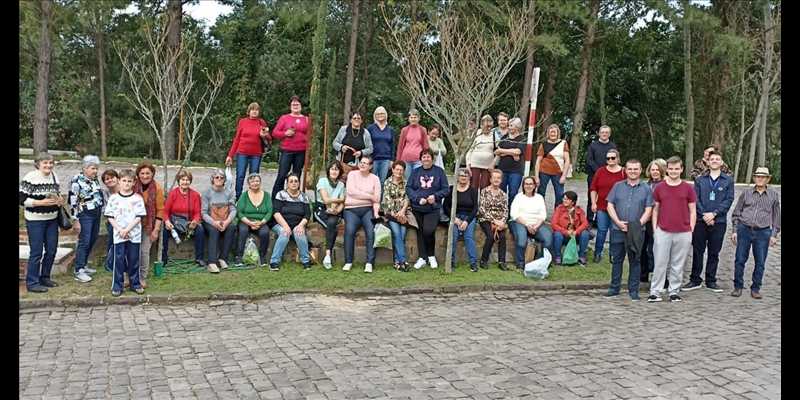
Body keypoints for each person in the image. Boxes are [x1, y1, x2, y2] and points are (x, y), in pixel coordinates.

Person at [683, 150, 735, 293]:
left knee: (714, 252)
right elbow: (695, 198)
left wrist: (714, 214)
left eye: (717, 159)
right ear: (708, 161)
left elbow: (729, 200)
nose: (714, 161)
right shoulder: (700, 180)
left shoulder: (728, 181)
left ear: (721, 162)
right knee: (698, 251)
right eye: (712, 159)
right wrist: (705, 215)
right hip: (700, 220)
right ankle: (695, 279)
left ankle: (711, 280)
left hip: (719, 222)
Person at [602, 160, 654, 301]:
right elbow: (610, 205)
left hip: (636, 231)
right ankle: (614, 288)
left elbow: (649, 209)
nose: (633, 171)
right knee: (617, 259)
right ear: (625, 170)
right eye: (630, 169)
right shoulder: (617, 186)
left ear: (640, 170)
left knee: (635, 260)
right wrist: (618, 222)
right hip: (617, 229)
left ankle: (634, 290)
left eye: (635, 169)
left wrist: (637, 225)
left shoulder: (646, 188)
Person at [648, 156, 697, 303]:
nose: (674, 171)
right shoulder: (660, 187)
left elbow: (693, 211)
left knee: (678, 264)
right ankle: (655, 291)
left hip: (683, 232)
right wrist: (655, 229)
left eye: (677, 169)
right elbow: (655, 209)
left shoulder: (688, 188)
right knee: (660, 263)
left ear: (681, 169)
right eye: (671, 169)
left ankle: (674, 291)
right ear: (667, 169)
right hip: (663, 230)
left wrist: (691, 230)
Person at [730, 167, 781, 299]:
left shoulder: (773, 195)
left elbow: (776, 216)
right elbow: (737, 212)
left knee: (760, 262)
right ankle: (738, 286)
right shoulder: (746, 193)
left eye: (763, 177)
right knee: (740, 260)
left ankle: (756, 288)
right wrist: (735, 230)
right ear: (754, 178)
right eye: (758, 176)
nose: (760, 179)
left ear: (768, 179)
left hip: (763, 232)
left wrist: (774, 234)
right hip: (744, 229)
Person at [19, 152, 63, 293]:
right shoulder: (30, 177)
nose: (48, 165)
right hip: (35, 221)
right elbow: (21, 199)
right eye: (45, 163)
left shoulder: (54, 177)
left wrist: (59, 200)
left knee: (51, 250)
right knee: (36, 252)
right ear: (38, 164)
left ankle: (45, 277)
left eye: (50, 163)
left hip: (52, 219)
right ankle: (32, 283)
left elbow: (58, 194)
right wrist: (40, 202)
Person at [104, 169, 147, 297]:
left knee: (134, 260)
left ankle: (135, 284)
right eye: (124, 181)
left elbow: (139, 216)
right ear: (119, 181)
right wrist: (120, 230)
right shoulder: (114, 198)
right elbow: (110, 216)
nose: (126, 183)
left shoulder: (137, 198)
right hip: (119, 235)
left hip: (134, 234)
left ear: (134, 182)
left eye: (129, 181)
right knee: (119, 260)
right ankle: (117, 285)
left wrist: (127, 230)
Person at [407, 148, 450, 269]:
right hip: (418, 208)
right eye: (423, 157)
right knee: (420, 232)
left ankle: (431, 256)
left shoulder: (439, 172)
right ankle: (422, 257)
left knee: (428, 231)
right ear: (420, 159)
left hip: (432, 208)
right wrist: (417, 198)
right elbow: (409, 188)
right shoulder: (415, 172)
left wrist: (435, 196)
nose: (426, 159)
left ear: (432, 158)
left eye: (428, 157)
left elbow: (446, 189)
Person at [67, 155, 104, 284]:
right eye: (93, 168)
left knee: (93, 239)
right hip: (84, 214)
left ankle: (84, 263)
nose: (95, 171)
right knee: (84, 241)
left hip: (96, 213)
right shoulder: (76, 181)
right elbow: (72, 202)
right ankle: (79, 270)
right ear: (84, 168)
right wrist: (75, 220)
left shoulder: (94, 180)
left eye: (96, 168)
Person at [342, 156, 382, 273]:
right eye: (361, 162)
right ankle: (348, 261)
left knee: (370, 232)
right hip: (351, 209)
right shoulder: (352, 174)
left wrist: (376, 211)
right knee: (349, 231)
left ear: (371, 166)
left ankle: (369, 263)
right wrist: (369, 196)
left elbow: (377, 197)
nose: (362, 164)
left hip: (368, 210)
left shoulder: (375, 178)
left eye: (365, 163)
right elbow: (351, 191)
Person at [225, 102, 271, 200]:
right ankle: (238, 198)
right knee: (240, 176)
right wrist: (230, 155)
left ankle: (253, 198)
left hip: (256, 154)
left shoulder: (261, 122)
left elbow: (269, 139)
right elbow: (237, 139)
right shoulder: (243, 122)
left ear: (259, 112)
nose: (254, 112)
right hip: (242, 152)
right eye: (252, 109)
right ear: (249, 111)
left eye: (256, 110)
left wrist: (265, 135)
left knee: (254, 177)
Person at [162, 170, 206, 269]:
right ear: (178, 181)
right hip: (174, 223)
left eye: (187, 180)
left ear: (190, 181)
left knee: (200, 231)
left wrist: (194, 221)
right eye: (183, 179)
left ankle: (199, 258)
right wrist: (167, 221)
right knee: (164, 231)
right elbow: (165, 211)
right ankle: (163, 258)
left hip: (189, 224)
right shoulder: (173, 193)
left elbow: (197, 212)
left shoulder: (195, 195)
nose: (185, 182)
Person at [508, 176, 553, 271]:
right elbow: (514, 214)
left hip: (536, 224)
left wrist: (536, 225)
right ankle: (520, 264)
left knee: (548, 238)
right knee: (521, 241)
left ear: (534, 185)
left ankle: (541, 262)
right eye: (526, 184)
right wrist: (527, 225)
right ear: (523, 185)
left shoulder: (539, 198)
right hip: (519, 222)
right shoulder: (519, 197)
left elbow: (543, 214)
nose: (528, 186)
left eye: (530, 184)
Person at [589, 149, 626, 263]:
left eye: (613, 158)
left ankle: (613, 253)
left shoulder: (623, 172)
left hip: (617, 208)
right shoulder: (600, 171)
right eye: (608, 158)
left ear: (618, 158)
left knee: (614, 231)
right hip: (602, 206)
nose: (610, 160)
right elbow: (593, 188)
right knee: (601, 230)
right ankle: (597, 253)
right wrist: (594, 203)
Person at [269, 173, 312, 271]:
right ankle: (274, 261)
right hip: (281, 223)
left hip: (297, 224)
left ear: (299, 183)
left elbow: (307, 214)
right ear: (287, 183)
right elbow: (276, 212)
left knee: (300, 234)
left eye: (296, 181)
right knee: (285, 234)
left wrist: (301, 225)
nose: (293, 183)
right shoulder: (281, 194)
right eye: (291, 181)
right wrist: (285, 226)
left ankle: (306, 261)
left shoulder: (304, 197)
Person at [133, 161, 164, 289]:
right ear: (138, 174)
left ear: (152, 174)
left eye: (148, 173)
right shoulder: (132, 185)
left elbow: (160, 210)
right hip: (132, 225)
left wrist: (156, 229)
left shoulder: (157, 188)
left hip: (148, 225)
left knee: (144, 251)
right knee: (131, 252)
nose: (145, 176)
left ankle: (142, 277)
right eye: (142, 173)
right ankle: (129, 276)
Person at [271, 96, 309, 198]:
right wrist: (285, 133)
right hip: (287, 150)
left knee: (297, 176)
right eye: (293, 104)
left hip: (301, 151)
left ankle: (294, 197)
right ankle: (276, 197)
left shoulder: (306, 119)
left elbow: (312, 135)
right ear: (290, 106)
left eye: (297, 104)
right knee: (282, 175)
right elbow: (275, 133)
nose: (295, 106)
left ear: (301, 106)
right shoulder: (284, 118)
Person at [443, 168, 479, 271]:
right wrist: (454, 218)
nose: (463, 178)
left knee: (469, 237)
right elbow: (445, 206)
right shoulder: (451, 189)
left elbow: (475, 208)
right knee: (453, 235)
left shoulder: (472, 191)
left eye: (465, 176)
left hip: (468, 217)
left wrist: (467, 221)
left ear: (468, 178)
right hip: (455, 217)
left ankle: (473, 262)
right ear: (457, 177)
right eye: (461, 175)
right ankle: (451, 261)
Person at [201, 169, 237, 274]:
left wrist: (227, 221)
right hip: (210, 220)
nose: (219, 179)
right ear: (213, 179)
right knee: (214, 231)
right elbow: (203, 213)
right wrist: (213, 223)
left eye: (222, 178)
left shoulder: (229, 192)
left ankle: (223, 258)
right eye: (217, 177)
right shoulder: (207, 192)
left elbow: (233, 209)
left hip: (224, 219)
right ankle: (211, 262)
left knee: (232, 228)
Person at [233, 173, 273, 267]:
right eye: (252, 181)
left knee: (265, 232)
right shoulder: (244, 195)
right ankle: (239, 256)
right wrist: (249, 222)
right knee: (243, 230)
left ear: (260, 182)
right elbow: (239, 212)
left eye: (257, 181)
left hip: (261, 221)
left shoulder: (267, 195)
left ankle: (262, 256)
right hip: (246, 221)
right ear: (249, 184)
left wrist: (262, 222)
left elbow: (270, 212)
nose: (255, 183)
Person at [382, 161, 414, 272]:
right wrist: (397, 214)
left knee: (402, 235)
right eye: (397, 169)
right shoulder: (387, 182)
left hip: (403, 213)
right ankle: (404, 260)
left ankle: (397, 262)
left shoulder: (406, 183)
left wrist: (402, 212)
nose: (399, 172)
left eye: (401, 170)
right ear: (393, 170)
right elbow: (388, 201)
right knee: (397, 234)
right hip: (391, 214)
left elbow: (407, 199)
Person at [315, 161, 346, 270]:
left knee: (332, 223)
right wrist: (340, 199)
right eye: (332, 169)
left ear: (340, 172)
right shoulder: (322, 181)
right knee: (334, 230)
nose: (334, 171)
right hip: (322, 208)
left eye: (336, 169)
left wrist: (337, 211)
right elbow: (326, 200)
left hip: (335, 209)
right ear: (328, 170)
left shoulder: (341, 184)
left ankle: (327, 256)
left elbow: (342, 203)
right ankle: (328, 257)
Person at [640, 158, 666, 283]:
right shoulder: (646, 184)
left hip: (658, 220)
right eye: (652, 170)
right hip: (645, 220)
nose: (655, 172)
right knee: (642, 248)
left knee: (655, 249)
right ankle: (643, 273)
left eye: (657, 170)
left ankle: (659, 275)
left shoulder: (664, 184)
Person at [534, 124, 571, 212]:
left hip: (558, 172)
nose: (553, 134)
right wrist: (536, 177)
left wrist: (564, 175)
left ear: (558, 133)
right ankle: (539, 212)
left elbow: (567, 160)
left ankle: (558, 213)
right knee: (541, 192)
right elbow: (538, 161)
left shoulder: (563, 143)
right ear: (548, 133)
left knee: (559, 194)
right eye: (551, 132)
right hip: (544, 171)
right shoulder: (543, 145)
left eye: (555, 132)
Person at [585, 125, 616, 227]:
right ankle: (589, 220)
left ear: (609, 134)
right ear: (599, 133)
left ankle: (599, 221)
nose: (604, 134)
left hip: (608, 176)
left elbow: (614, 160)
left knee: (604, 198)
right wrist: (599, 171)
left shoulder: (612, 147)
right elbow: (589, 160)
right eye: (602, 132)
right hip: (593, 175)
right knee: (591, 197)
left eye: (606, 132)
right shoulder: (593, 146)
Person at [551, 191, 591, 267]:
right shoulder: (559, 209)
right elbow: (554, 224)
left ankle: (581, 257)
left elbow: (585, 223)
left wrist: (576, 232)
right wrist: (565, 232)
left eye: (567, 199)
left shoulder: (579, 210)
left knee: (585, 233)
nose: (564, 201)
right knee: (557, 234)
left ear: (573, 202)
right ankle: (558, 258)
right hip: (564, 235)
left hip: (575, 235)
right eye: (564, 198)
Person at [333, 111, 374, 180]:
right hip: (343, 163)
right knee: (341, 182)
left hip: (358, 166)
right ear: (351, 120)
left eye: (359, 118)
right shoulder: (344, 130)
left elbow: (370, 148)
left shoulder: (365, 133)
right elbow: (335, 143)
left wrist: (361, 152)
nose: (357, 120)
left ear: (361, 121)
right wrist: (341, 147)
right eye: (354, 118)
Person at [495, 117, 526, 209]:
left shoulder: (522, 139)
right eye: (509, 125)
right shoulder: (505, 138)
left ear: (517, 127)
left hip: (515, 170)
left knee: (513, 193)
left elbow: (517, 152)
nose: (509, 127)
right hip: (503, 169)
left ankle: (511, 212)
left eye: (511, 125)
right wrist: (511, 153)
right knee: (501, 192)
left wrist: (504, 151)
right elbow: (497, 151)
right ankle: (501, 211)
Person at [466, 115, 499, 191]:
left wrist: (493, 163)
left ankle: (483, 202)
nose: (489, 128)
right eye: (487, 126)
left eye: (491, 126)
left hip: (488, 165)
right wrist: (468, 165)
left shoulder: (494, 135)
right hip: (474, 164)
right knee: (473, 186)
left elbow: (498, 152)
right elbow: (469, 150)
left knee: (485, 186)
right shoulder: (476, 134)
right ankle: (473, 202)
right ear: (481, 125)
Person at [366, 106, 395, 189]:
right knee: (371, 181)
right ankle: (370, 200)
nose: (380, 115)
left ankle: (379, 201)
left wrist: (392, 160)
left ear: (385, 115)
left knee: (382, 182)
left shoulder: (389, 129)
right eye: (378, 114)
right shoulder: (370, 128)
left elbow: (392, 145)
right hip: (373, 159)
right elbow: (366, 143)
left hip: (386, 159)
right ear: (375, 116)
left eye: (382, 113)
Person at [396, 108, 430, 180]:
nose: (413, 119)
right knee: (408, 180)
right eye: (411, 117)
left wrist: (427, 158)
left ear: (418, 118)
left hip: (418, 160)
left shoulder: (422, 129)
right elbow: (400, 146)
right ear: (408, 119)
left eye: (415, 117)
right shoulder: (405, 130)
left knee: (418, 180)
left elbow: (425, 145)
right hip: (406, 160)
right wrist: (398, 161)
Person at [101, 169, 120, 272]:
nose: (109, 180)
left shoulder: (125, 189)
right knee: (112, 241)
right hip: (112, 222)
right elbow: (104, 210)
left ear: (117, 178)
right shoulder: (104, 193)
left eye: (112, 177)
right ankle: (110, 264)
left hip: (127, 222)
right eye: (106, 179)